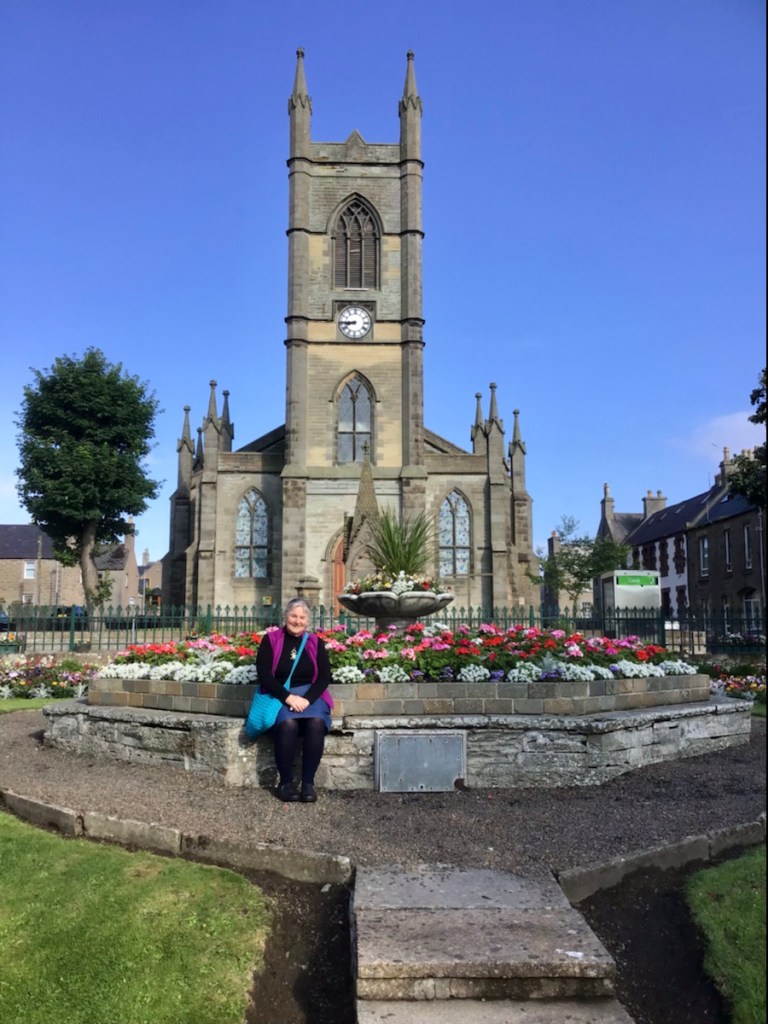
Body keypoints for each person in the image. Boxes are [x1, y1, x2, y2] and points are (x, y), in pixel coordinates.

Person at [255, 598, 334, 802]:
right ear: (285, 616)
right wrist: (288, 697)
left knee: (316, 723)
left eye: (302, 617)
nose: (297, 621)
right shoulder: (270, 640)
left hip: (311, 696)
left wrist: (307, 700)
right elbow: (264, 675)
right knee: (288, 724)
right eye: (293, 616)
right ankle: (286, 783)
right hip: (281, 694)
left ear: (307, 620)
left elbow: (324, 677)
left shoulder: (315, 642)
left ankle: (308, 784)